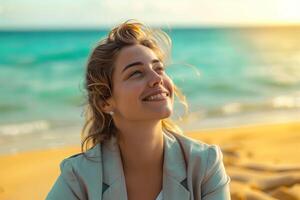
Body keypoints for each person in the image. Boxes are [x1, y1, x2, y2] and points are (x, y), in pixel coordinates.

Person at [46, 19, 231, 200]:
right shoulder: (78, 177)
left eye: (159, 68)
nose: (156, 78)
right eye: (136, 73)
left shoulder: (204, 164)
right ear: (105, 101)